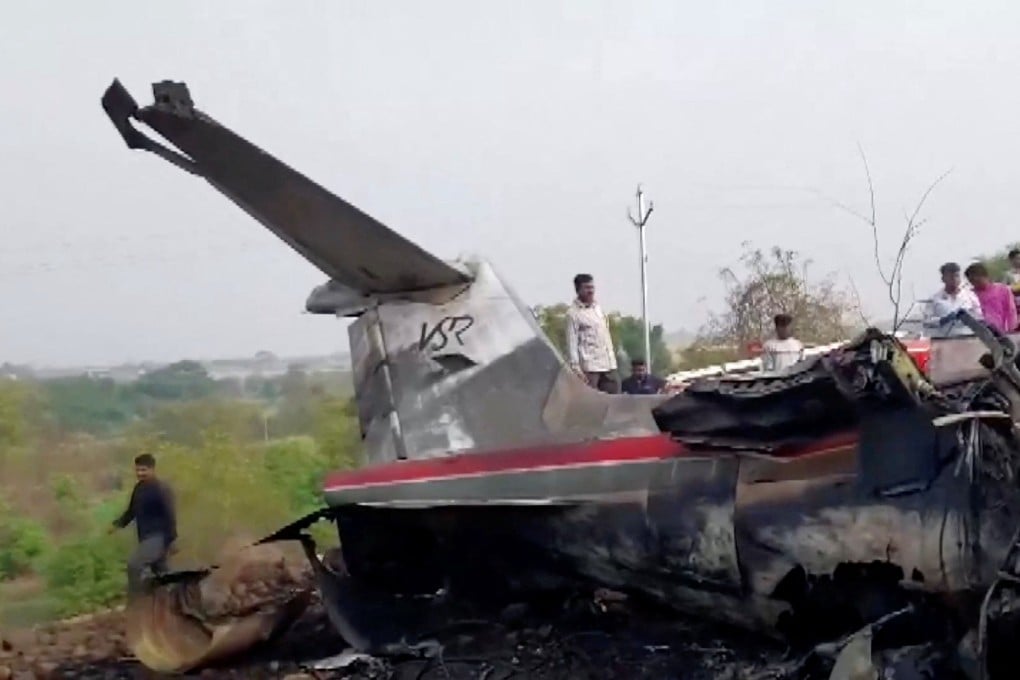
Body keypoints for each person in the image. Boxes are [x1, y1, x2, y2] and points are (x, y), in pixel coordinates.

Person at [109, 453, 178, 594]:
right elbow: (131, 512)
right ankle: (171, 602)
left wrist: (171, 541)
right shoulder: (139, 489)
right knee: (161, 574)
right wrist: (117, 525)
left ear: (152, 469)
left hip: (158, 537)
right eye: (138, 470)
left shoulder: (161, 489)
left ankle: (136, 604)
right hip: (145, 537)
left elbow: (170, 516)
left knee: (134, 565)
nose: (140, 473)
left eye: (144, 470)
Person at [565, 273, 620, 394]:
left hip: (608, 364)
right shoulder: (573, 313)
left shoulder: (598, 308)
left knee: (613, 399)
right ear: (578, 290)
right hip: (590, 368)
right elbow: (572, 343)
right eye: (586, 288)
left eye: (592, 287)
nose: (590, 291)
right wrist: (576, 369)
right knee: (592, 401)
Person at [923, 262, 983, 337]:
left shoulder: (970, 296)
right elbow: (926, 321)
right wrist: (942, 320)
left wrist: (968, 317)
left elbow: (980, 317)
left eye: (957, 276)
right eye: (951, 277)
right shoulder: (935, 299)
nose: (954, 279)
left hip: (967, 337)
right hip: (944, 339)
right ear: (943, 279)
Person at [965, 262, 1017, 334]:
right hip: (979, 334)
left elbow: (1011, 311)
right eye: (971, 281)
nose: (974, 283)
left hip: (1001, 333)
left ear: (985, 276)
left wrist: (1011, 330)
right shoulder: (969, 294)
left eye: (976, 279)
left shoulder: (1002, 289)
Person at [1004, 248, 1020, 314]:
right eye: (1017, 258)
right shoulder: (1008, 275)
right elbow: (1005, 290)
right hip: (1016, 306)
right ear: (1011, 260)